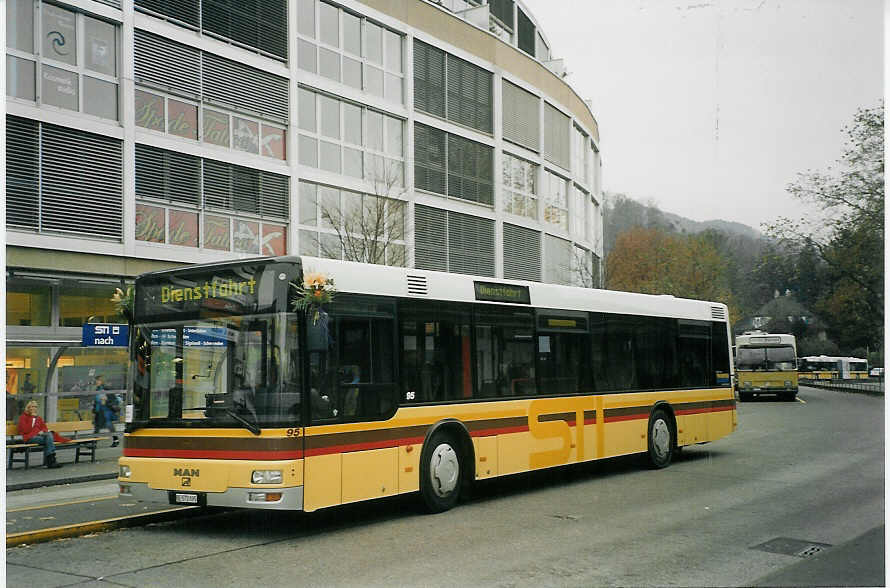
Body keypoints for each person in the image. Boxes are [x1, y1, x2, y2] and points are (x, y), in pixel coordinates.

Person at [18, 400, 71, 468]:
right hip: (29, 438)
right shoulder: (23, 417)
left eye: (35, 407)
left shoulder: (38, 418)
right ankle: (51, 461)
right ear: (28, 408)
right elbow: (25, 430)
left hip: (39, 437)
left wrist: (42, 431)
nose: (34, 408)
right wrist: (32, 419)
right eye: (32, 406)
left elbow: (44, 427)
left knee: (48, 435)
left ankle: (51, 461)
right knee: (49, 439)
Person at [93, 375, 120, 447]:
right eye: (96, 380)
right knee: (97, 427)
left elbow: (112, 399)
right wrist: (94, 409)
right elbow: (96, 400)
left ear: (101, 381)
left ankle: (116, 440)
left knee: (109, 425)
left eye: (97, 380)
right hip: (99, 410)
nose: (96, 382)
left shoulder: (106, 389)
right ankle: (94, 443)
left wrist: (106, 401)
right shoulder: (97, 389)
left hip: (106, 410)